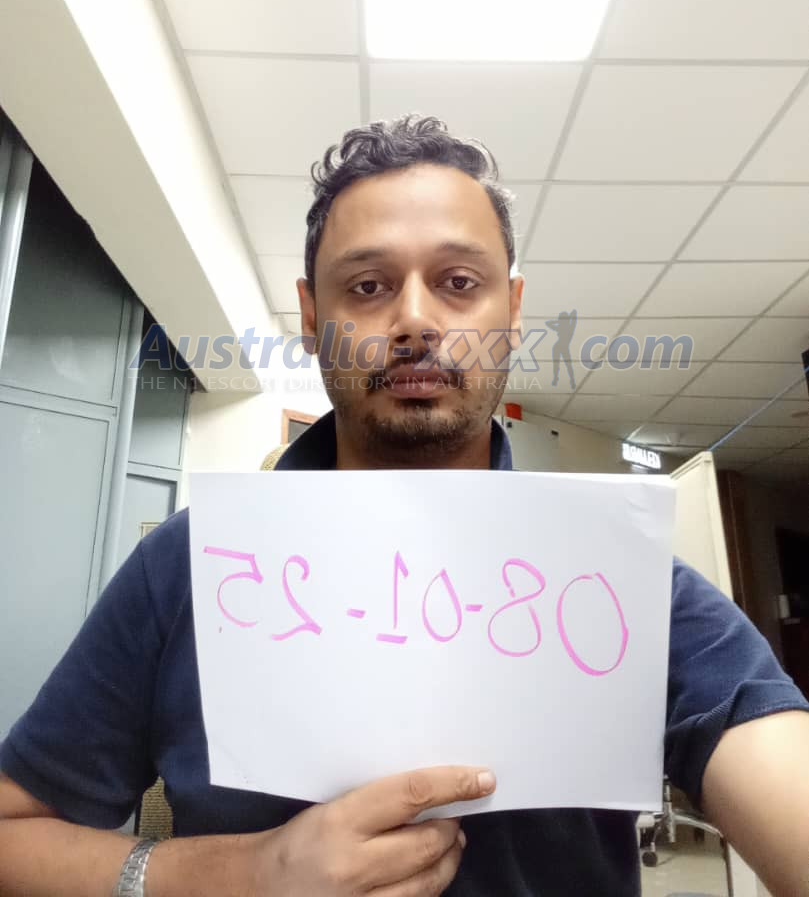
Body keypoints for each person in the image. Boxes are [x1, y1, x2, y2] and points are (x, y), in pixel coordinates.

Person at [1, 115, 808, 896]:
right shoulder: (184, 566)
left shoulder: (621, 580)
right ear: (312, 317)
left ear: (512, 311)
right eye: (367, 286)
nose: (415, 320)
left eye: (459, 283)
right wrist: (235, 877)